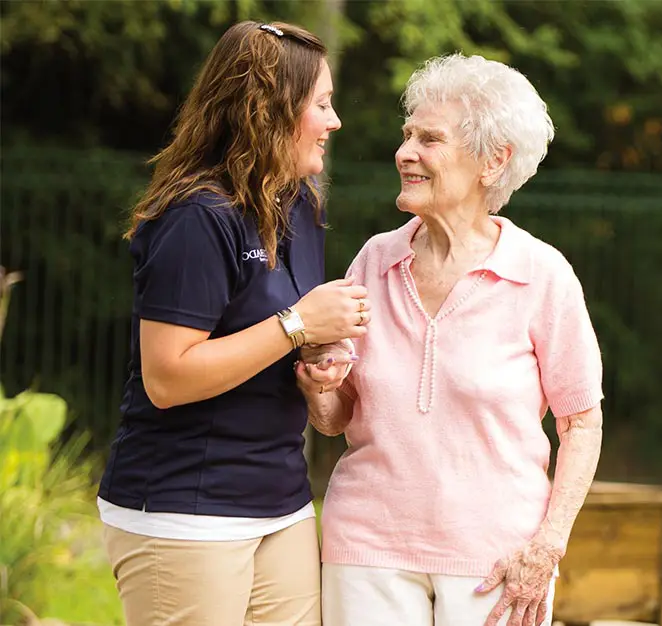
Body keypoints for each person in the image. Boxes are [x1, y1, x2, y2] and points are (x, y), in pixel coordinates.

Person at [304, 53, 604, 626]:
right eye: (407, 134)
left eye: (430, 139)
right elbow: (335, 418)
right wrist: (320, 387)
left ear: (494, 161)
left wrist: (548, 545)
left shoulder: (541, 274)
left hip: (497, 557)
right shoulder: (375, 259)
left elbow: (581, 423)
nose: (405, 153)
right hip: (368, 546)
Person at [97, 19, 365, 626]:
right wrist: (297, 324)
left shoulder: (300, 205)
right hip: (184, 508)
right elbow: (167, 379)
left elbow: (272, 339)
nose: (334, 120)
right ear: (269, 110)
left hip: (282, 503)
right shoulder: (197, 216)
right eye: (321, 104)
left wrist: (317, 358)